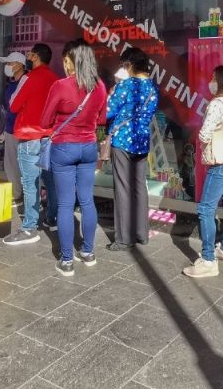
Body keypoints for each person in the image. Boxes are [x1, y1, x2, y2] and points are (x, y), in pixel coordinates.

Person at [38, 40, 107, 276]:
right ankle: (88, 252)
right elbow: (102, 119)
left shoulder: (60, 86)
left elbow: (45, 121)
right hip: (88, 147)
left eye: (66, 61)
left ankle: (67, 260)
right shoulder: (99, 86)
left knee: (66, 203)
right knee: (87, 200)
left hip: (64, 148)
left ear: (73, 61)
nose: (64, 65)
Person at [183, 65, 223, 278]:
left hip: (219, 163)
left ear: (221, 80)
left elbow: (204, 133)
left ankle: (208, 259)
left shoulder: (218, 103)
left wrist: (203, 139)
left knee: (205, 209)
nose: (211, 81)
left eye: (213, 77)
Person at [3, 44, 60, 245]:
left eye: (30, 54)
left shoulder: (29, 77)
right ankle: (52, 217)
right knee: (50, 180)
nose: (28, 56)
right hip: (49, 136)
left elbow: (14, 104)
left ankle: (29, 227)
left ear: (34, 56)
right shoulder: (55, 79)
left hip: (30, 135)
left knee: (30, 183)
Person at [106, 47, 160, 251]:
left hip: (122, 141)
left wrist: (112, 92)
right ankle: (141, 233)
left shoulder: (126, 86)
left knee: (122, 189)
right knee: (139, 187)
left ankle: (123, 238)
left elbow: (108, 112)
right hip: (141, 140)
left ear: (128, 65)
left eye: (123, 65)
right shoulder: (153, 88)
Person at [0, 51, 27, 210]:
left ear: (20, 65)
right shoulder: (11, 85)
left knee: (21, 165)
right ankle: (17, 194)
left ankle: (21, 195)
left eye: (10, 63)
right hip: (11, 129)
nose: (7, 66)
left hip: (22, 130)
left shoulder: (26, 82)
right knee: (11, 165)